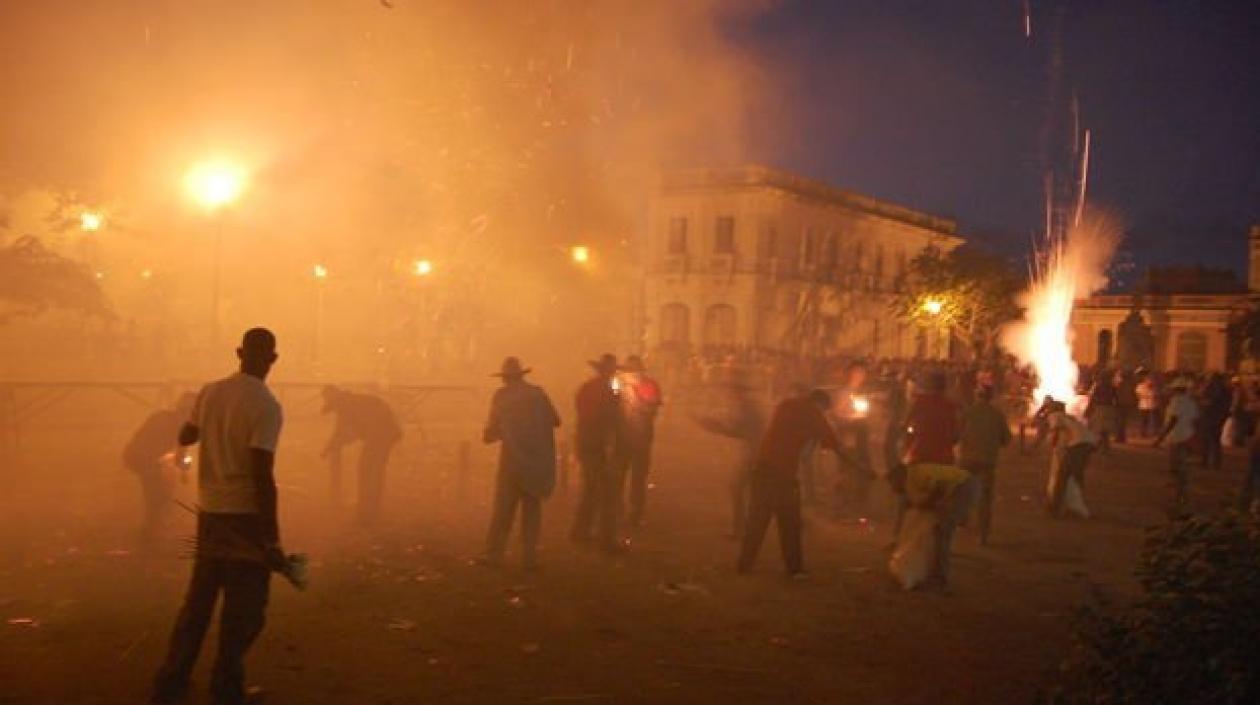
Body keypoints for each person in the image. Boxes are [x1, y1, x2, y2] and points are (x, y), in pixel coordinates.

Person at [152, 328, 285, 705]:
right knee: (245, 610)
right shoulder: (267, 406)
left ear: (239, 352)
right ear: (273, 358)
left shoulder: (211, 392)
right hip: (244, 517)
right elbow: (262, 472)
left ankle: (171, 681)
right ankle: (226, 687)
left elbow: (187, 433)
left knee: (198, 603)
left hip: (210, 512)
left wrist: (207, 430)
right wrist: (272, 538)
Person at [737, 389, 842, 577]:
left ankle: (744, 564)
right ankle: (794, 569)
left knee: (756, 520)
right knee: (790, 523)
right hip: (783, 474)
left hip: (762, 468)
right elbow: (833, 442)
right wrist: (862, 469)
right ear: (820, 405)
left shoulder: (785, 405)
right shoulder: (813, 412)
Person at [481, 357, 560, 570]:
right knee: (531, 510)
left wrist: (497, 433)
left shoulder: (501, 397)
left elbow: (491, 433)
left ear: (505, 378)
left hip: (511, 462)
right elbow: (556, 420)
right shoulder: (538, 395)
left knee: (503, 509)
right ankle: (529, 557)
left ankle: (494, 554)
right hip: (537, 461)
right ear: (521, 375)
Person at [320, 385, 403, 525]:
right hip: (382, 434)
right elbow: (345, 432)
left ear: (336, 402)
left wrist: (330, 447)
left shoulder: (347, 406)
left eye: (333, 406)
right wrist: (331, 447)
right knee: (370, 471)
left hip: (382, 434)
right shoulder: (349, 403)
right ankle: (368, 508)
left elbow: (343, 431)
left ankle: (367, 511)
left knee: (369, 471)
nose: (335, 411)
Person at [123, 393, 196, 550]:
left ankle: (151, 531)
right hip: (141, 458)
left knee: (160, 494)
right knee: (158, 495)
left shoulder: (164, 418)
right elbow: (178, 453)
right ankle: (149, 535)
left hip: (143, 458)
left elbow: (179, 454)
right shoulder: (172, 423)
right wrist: (181, 469)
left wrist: (181, 469)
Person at [695, 375, 765, 538]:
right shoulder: (748, 406)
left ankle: (740, 529)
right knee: (749, 490)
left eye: (731, 391)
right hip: (756, 451)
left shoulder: (746, 407)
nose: (729, 394)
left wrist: (713, 426)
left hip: (754, 452)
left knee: (738, 488)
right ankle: (745, 527)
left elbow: (738, 430)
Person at [570, 353, 625, 554]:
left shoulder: (586, 388)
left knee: (591, 488)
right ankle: (607, 540)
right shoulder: (607, 391)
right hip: (599, 443)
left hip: (585, 440)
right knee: (608, 492)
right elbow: (610, 420)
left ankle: (580, 530)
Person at [957, 386, 1012, 545]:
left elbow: (956, 433)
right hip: (987, 460)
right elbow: (1006, 440)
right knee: (985, 498)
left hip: (966, 459)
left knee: (962, 492)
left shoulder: (968, 412)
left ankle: (961, 521)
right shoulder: (997, 414)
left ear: (976, 395)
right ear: (991, 397)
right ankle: (983, 535)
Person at [616, 354, 663, 527]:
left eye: (633, 370)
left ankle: (635, 513)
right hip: (622, 438)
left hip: (641, 438)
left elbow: (653, 408)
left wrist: (635, 399)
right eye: (628, 370)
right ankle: (618, 510)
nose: (630, 373)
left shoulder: (649, 385)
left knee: (638, 477)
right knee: (619, 476)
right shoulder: (618, 384)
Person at [830, 361, 875, 518]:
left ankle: (854, 506)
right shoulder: (844, 392)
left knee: (858, 472)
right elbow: (836, 414)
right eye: (857, 372)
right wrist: (852, 417)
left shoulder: (861, 392)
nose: (860, 376)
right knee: (845, 472)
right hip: (848, 437)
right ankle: (840, 507)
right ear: (850, 374)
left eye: (863, 373)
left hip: (860, 437)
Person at [1154, 377, 1200, 511]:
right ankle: (1182, 493)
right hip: (1188, 436)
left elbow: (1173, 420)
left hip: (1177, 437)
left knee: (1176, 467)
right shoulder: (1191, 402)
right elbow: (1195, 420)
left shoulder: (1176, 402)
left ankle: (1179, 495)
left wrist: (1161, 437)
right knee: (1183, 466)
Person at [1046, 400, 1098, 518]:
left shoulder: (1055, 415)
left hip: (1078, 444)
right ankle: (1074, 503)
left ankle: (1055, 508)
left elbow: (1055, 431)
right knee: (1074, 474)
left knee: (1062, 476)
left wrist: (1053, 445)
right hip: (1089, 442)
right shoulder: (1069, 417)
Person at [1198, 373, 1230, 471]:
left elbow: (1207, 401)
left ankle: (1207, 461)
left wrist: (1203, 401)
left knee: (1208, 440)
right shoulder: (1225, 390)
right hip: (1218, 417)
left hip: (1211, 417)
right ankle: (1214, 462)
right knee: (1214, 441)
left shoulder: (1216, 390)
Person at [1085, 370, 1119, 454]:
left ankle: (1095, 446)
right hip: (1109, 408)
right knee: (1105, 430)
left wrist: (1088, 410)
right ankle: (1104, 448)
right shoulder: (1112, 387)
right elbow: (1115, 399)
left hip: (1100, 408)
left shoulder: (1098, 386)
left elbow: (1093, 399)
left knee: (1097, 429)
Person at [1136, 373, 1159, 438]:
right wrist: (1146, 396)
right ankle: (1143, 433)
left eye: (1151, 380)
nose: (1150, 381)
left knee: (1153, 420)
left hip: (1153, 406)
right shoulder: (1140, 386)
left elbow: (1156, 395)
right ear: (1145, 380)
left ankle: (1154, 432)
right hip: (1144, 406)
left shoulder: (1154, 387)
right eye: (1148, 380)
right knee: (1144, 420)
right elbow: (1138, 395)